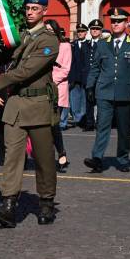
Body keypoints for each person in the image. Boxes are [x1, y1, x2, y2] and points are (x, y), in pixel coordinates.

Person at [0, 0, 59, 228]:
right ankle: (8, 204)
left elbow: (27, 70)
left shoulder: (49, 40)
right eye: (27, 8)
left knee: (44, 158)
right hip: (16, 105)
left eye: (35, 9)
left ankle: (46, 202)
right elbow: (2, 50)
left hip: (38, 105)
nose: (30, 12)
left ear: (44, 11)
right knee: (12, 157)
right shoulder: (20, 35)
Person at [84, 8, 130, 173]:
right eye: (113, 21)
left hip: (125, 92)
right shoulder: (103, 43)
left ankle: (123, 158)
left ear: (126, 23)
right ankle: (97, 158)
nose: (116, 24)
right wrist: (90, 86)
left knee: (124, 129)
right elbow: (95, 68)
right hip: (104, 91)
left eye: (119, 21)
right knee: (102, 126)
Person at [46, 20, 72, 172]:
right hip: (43, 91)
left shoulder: (65, 46)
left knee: (54, 125)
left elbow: (65, 69)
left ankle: (61, 153)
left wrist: (48, 81)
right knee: (45, 127)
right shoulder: (43, 46)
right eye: (46, 29)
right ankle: (47, 157)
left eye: (51, 29)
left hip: (57, 89)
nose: (48, 31)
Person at [82, 19, 104, 131]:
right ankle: (89, 123)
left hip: (100, 78)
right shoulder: (85, 44)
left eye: (97, 29)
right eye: (93, 29)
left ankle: (100, 123)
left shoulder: (104, 44)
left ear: (101, 31)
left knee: (100, 102)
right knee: (89, 102)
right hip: (88, 78)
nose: (95, 31)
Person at [68, 23, 90, 130]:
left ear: (86, 33)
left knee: (84, 98)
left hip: (85, 76)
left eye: (82, 31)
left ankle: (82, 118)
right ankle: (76, 118)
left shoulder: (90, 44)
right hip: (74, 76)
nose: (80, 33)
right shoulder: (72, 45)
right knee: (74, 98)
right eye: (79, 31)